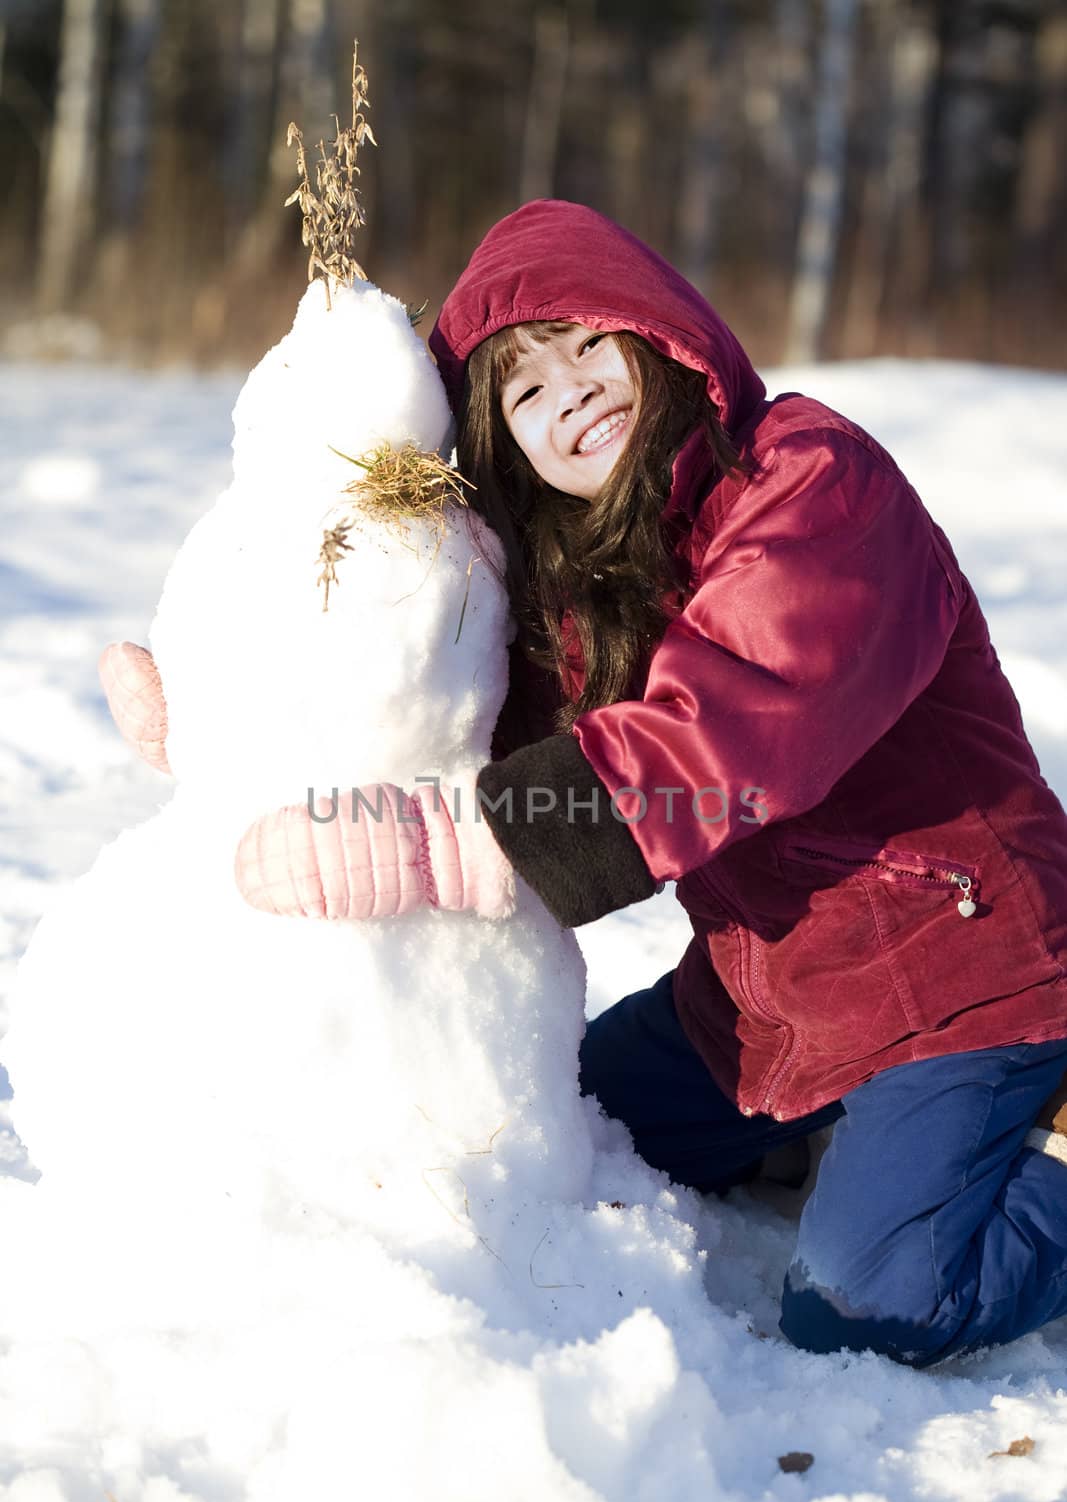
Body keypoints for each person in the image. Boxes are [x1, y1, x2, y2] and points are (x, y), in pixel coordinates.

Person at [105, 200, 1067, 1369]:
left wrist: (439, 843)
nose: (567, 390)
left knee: (861, 1303)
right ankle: (844, 1134)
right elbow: (463, 726)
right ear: (503, 440)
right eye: (521, 386)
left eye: (585, 343)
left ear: (659, 337)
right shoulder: (591, 572)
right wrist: (246, 729)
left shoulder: (810, 483)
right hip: (771, 994)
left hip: (965, 971)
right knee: (572, 1130)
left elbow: (720, 735)